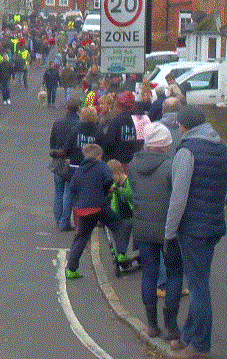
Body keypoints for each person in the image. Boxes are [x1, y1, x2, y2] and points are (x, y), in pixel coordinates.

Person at [164, 105, 227, 358]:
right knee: (198, 281)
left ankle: (200, 345)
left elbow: (178, 197)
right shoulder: (220, 147)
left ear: (184, 126)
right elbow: (223, 189)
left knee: (198, 287)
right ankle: (188, 336)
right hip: (213, 223)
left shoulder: (187, 151)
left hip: (192, 228)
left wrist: (169, 231)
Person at [130, 121, 181, 341]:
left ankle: (151, 325)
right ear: (164, 145)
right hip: (168, 229)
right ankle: (170, 326)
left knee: (149, 273)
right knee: (174, 273)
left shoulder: (133, 164)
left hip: (142, 228)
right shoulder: (171, 166)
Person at [65, 143, 122, 280]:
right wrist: (106, 189)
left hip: (84, 209)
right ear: (100, 156)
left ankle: (71, 269)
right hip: (99, 206)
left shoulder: (79, 170)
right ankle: (121, 253)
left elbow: (73, 188)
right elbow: (109, 179)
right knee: (117, 225)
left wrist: (80, 200)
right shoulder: (102, 166)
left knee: (81, 237)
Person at [49, 100, 80, 231]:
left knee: (58, 191)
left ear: (67, 107)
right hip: (71, 160)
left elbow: (52, 141)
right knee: (68, 192)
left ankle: (58, 218)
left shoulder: (58, 122)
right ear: (78, 109)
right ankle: (64, 221)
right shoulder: (79, 124)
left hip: (58, 159)